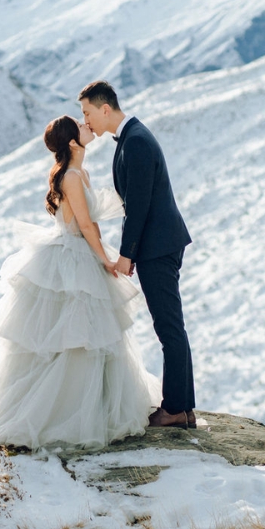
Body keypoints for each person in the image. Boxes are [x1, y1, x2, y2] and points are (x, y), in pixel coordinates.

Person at [0, 115, 159, 449]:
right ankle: (65, 412)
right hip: (72, 256)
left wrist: (103, 255)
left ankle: (93, 406)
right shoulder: (71, 176)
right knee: (74, 337)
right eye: (81, 126)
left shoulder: (79, 173)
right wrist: (106, 260)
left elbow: (93, 225)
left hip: (82, 253)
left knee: (92, 336)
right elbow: (85, 226)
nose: (88, 126)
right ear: (73, 142)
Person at [79, 80, 196, 429]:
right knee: (171, 326)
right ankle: (183, 407)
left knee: (169, 327)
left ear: (105, 108)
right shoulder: (132, 138)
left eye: (87, 113)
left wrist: (127, 255)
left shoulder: (137, 143)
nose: (86, 121)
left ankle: (175, 409)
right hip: (160, 244)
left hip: (157, 247)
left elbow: (140, 207)